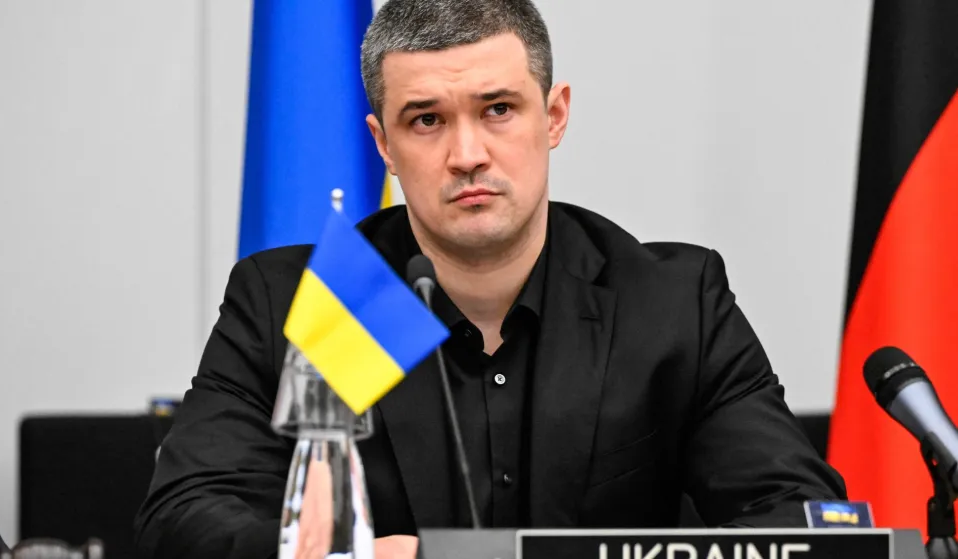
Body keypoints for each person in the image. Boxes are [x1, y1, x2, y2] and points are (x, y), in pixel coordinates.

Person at [134, 0, 847, 557]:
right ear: (383, 144)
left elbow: (799, 518)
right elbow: (182, 519)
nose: (467, 153)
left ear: (554, 116)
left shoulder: (668, 304)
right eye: (426, 120)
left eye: (498, 109)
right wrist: (337, 556)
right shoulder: (312, 303)